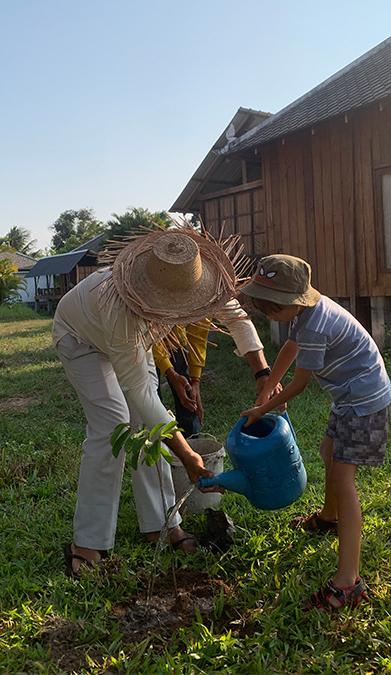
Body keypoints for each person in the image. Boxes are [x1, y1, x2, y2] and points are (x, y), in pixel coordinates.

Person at [54, 228, 274, 577]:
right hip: (81, 339)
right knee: (113, 427)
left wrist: (263, 373)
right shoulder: (122, 308)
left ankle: (163, 524)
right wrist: (187, 455)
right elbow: (140, 394)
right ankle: (87, 543)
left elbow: (236, 319)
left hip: (132, 340)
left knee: (149, 429)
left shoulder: (197, 277)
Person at [239, 254, 391, 611]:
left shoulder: (314, 325)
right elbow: (289, 349)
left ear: (293, 302)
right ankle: (328, 519)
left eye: (273, 308)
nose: (269, 315)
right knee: (328, 454)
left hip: (364, 400)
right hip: (348, 396)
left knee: (343, 480)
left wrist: (263, 409)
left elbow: (301, 383)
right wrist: (266, 387)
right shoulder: (307, 314)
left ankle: (348, 583)